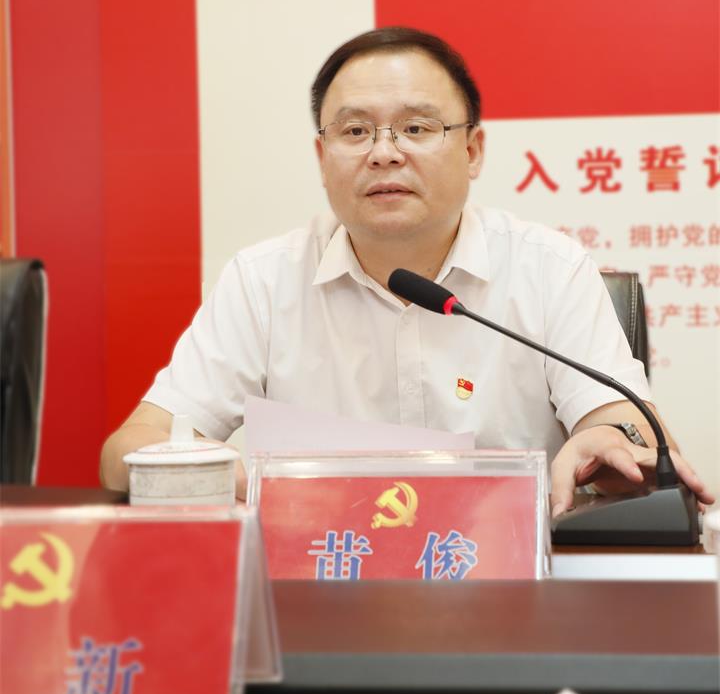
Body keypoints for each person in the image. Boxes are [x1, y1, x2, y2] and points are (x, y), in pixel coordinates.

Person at [100, 27, 714, 515]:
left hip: (512, 588)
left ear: (472, 150)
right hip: (321, 585)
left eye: (417, 128)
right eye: (355, 131)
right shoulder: (262, 281)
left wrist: (611, 443)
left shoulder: (548, 268)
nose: (384, 152)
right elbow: (126, 449)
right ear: (322, 157)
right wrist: (233, 475)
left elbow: (625, 426)